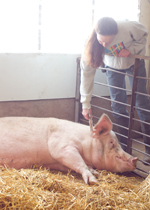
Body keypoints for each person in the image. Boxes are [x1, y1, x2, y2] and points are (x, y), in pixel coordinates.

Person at [80, 17, 150, 164]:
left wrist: (131, 51)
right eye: (101, 42)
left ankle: (149, 150)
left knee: (142, 104)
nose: (104, 45)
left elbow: (144, 34)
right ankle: (125, 149)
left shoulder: (128, 27)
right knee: (118, 106)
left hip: (134, 62)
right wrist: (85, 103)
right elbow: (87, 73)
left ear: (116, 33)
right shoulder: (92, 41)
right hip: (112, 66)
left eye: (108, 42)